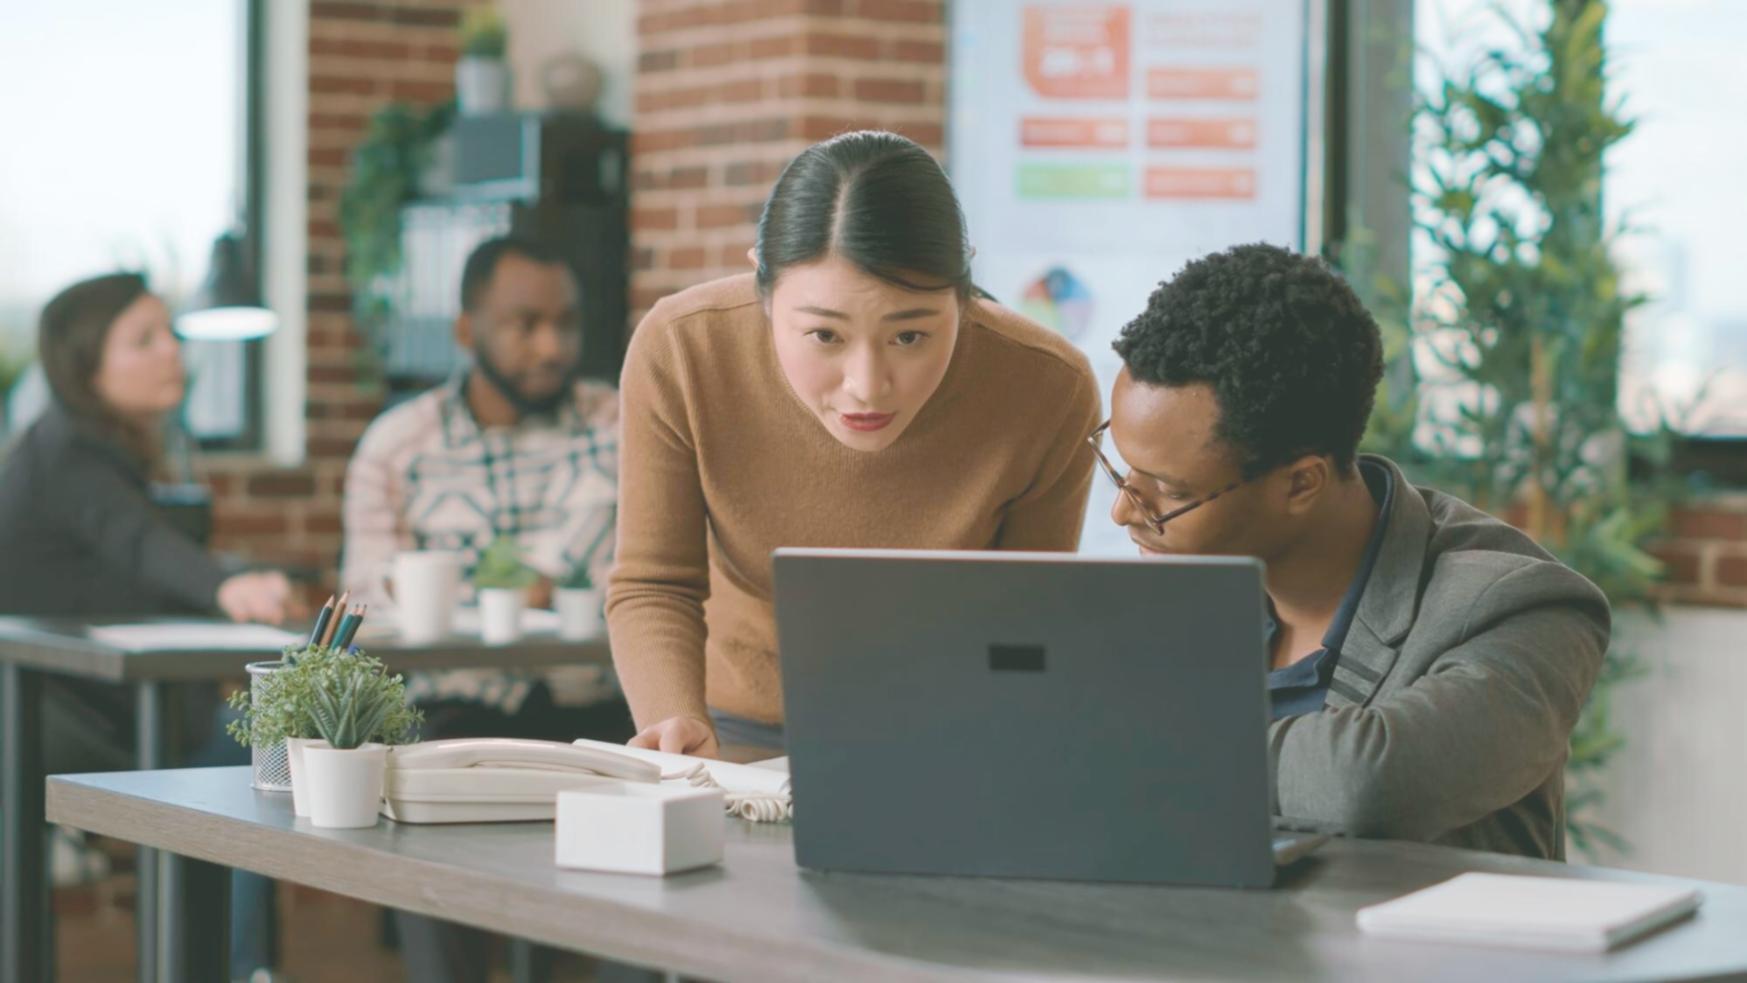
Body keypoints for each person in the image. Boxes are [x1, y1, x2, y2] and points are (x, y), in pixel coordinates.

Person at [1096, 242, 1609, 860]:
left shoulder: (1520, 606)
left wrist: (1126, 749)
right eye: (1121, 470)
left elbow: (1370, 783)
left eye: (1169, 492)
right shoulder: (1185, 591)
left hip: (1424, 955)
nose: (1124, 511)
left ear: (1301, 482)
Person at [609, 130, 1103, 758]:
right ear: (763, 295)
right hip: (729, 731)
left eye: (910, 337)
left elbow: (1026, 620)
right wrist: (674, 720)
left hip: (948, 737)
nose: (867, 387)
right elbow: (656, 584)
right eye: (824, 336)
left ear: (964, 298)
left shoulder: (1046, 385)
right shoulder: (683, 351)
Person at [340, 235, 628, 983]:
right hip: (459, 712)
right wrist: (528, 584)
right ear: (467, 331)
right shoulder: (398, 446)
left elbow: (630, 572)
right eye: (523, 323)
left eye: (565, 323)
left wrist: (469, 592)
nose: (551, 345)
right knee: (419, 777)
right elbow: (372, 607)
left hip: (601, 708)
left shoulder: (617, 423)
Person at [0, 271, 299, 982]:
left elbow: (123, 562)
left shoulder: (87, 447)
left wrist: (220, 575)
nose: (174, 352)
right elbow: (136, 541)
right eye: (144, 340)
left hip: (74, 698)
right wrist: (225, 583)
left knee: (238, 741)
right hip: (46, 709)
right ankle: (237, 966)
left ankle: (216, 960)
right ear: (86, 366)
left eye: (171, 333)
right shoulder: (70, 453)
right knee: (249, 758)